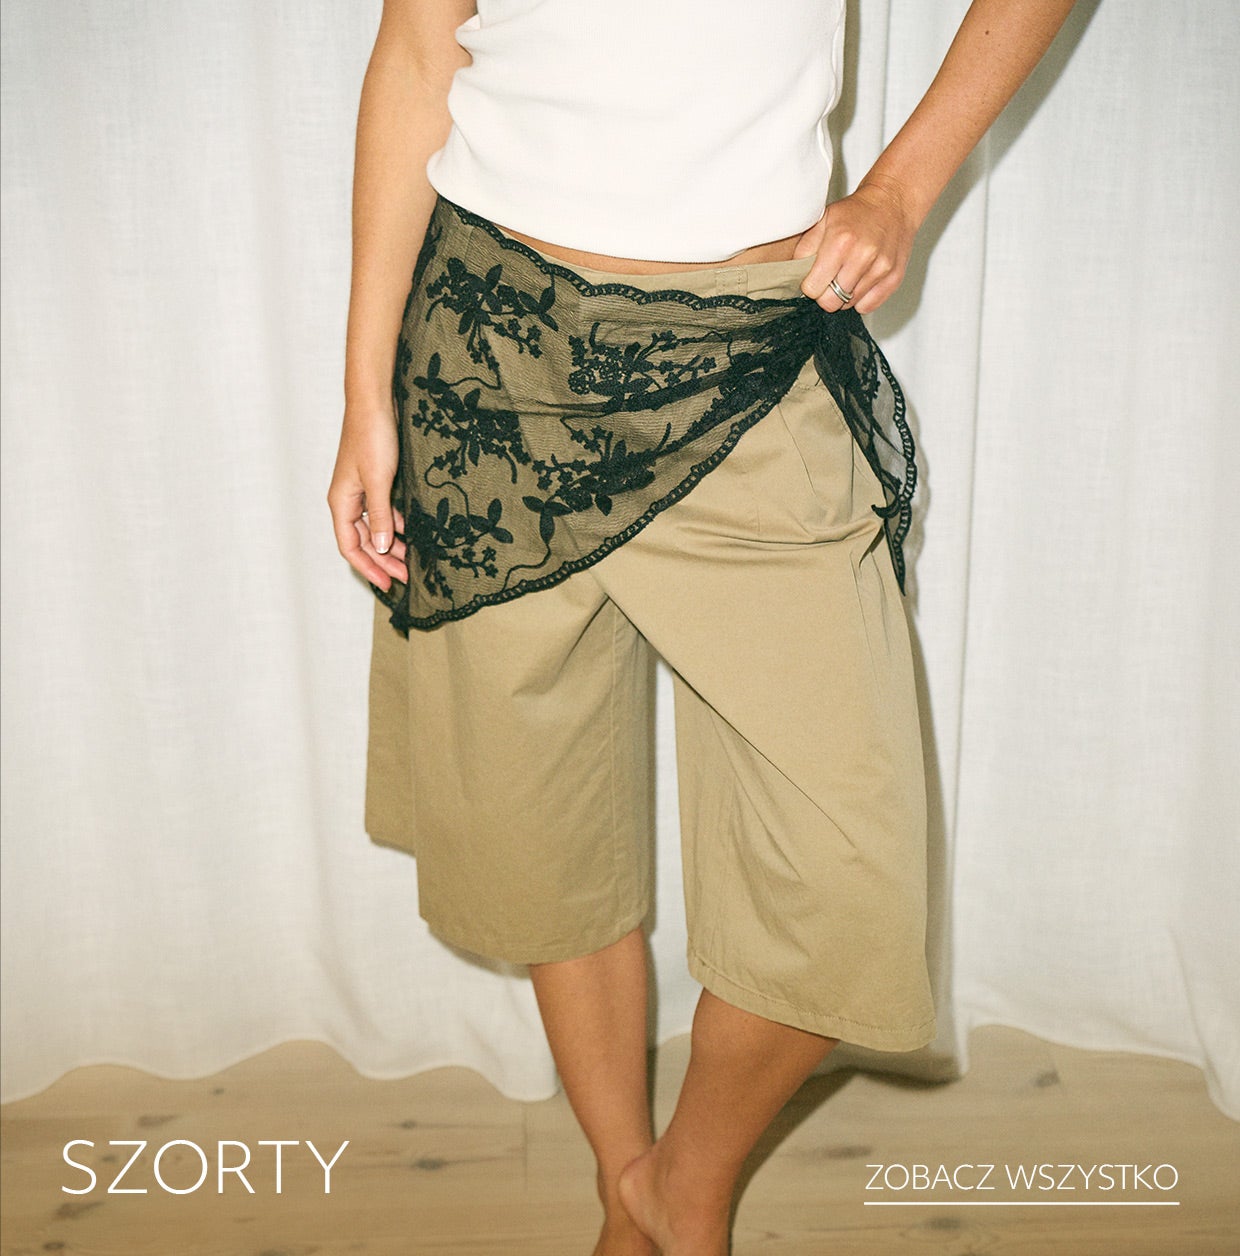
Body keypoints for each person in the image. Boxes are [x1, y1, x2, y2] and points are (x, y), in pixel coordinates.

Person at [327, 3, 1076, 1252]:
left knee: (850, 874)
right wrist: (362, 389)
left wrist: (898, 190)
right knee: (536, 824)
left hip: (749, 353)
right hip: (489, 357)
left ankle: (679, 1187)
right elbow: (415, 54)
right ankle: (630, 1198)